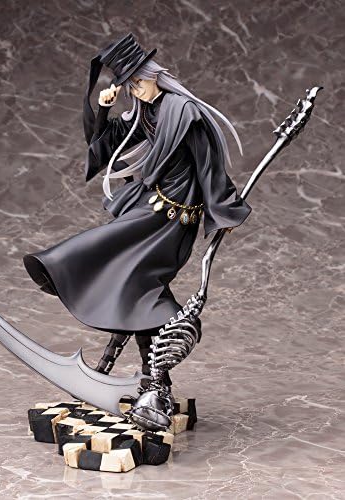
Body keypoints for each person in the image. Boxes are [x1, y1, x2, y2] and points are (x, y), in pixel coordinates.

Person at [22, 33, 252, 428]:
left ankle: (151, 380)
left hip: (173, 218)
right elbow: (105, 145)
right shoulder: (143, 112)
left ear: (154, 74)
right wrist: (102, 109)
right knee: (130, 282)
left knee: (134, 274)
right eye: (128, 84)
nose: (134, 89)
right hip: (150, 206)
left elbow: (208, 163)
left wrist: (224, 210)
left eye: (137, 81)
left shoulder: (182, 111)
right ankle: (154, 384)